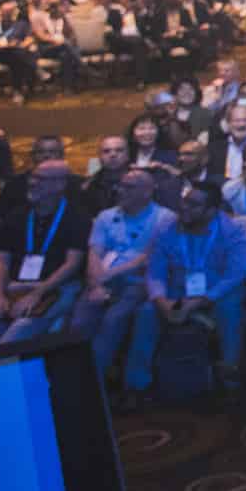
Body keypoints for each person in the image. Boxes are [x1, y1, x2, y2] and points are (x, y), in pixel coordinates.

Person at [69, 167, 176, 403]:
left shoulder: (164, 218)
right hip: (101, 280)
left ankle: (91, 386)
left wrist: (105, 278)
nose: (121, 190)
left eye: (130, 187)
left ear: (147, 192)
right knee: (79, 321)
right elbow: (95, 252)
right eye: (121, 185)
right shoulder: (106, 216)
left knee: (113, 319)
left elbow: (147, 259)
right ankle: (71, 380)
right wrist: (95, 284)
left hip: (139, 282)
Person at [143, 181, 246, 395]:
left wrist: (203, 300)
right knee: (146, 312)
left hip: (216, 292)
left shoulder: (231, 231)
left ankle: (229, 378)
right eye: (185, 202)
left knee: (230, 305)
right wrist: (161, 300)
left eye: (194, 205)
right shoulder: (167, 228)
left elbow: (234, 275)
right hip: (177, 291)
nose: (185, 208)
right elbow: (155, 272)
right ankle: (138, 383)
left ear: (212, 210)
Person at [0, 160, 92, 345]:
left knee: (15, 335)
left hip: (55, 288)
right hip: (14, 288)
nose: (32, 183)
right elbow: (1, 259)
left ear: (60, 184)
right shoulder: (17, 215)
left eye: (40, 179)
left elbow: (72, 265)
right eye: (32, 177)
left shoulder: (77, 217)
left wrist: (37, 294)